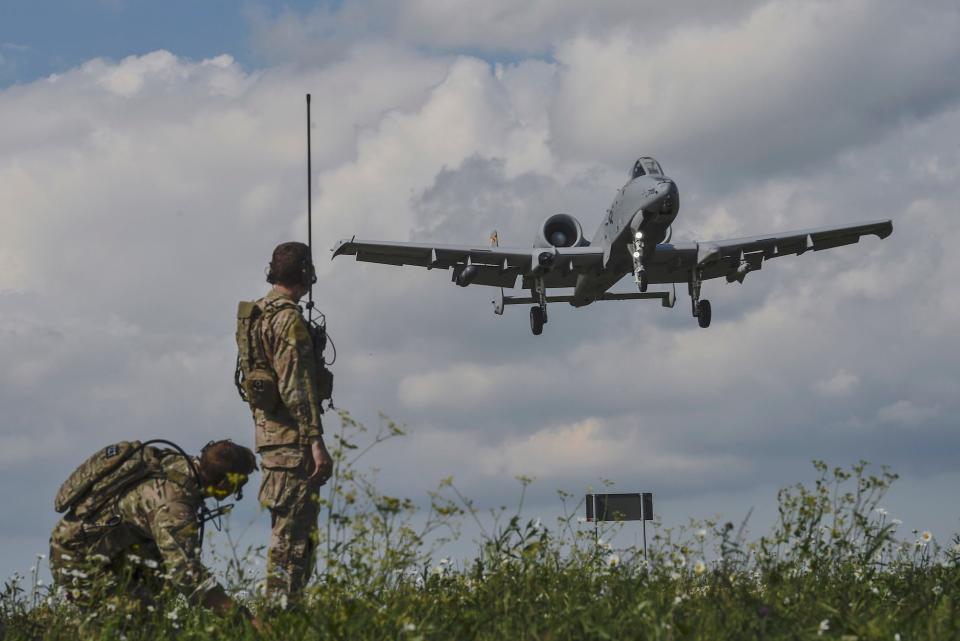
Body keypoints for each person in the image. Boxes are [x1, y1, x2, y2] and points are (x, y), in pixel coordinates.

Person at [49, 439, 260, 626]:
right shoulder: (174, 505)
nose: (239, 490)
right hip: (77, 557)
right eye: (240, 483)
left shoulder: (178, 465)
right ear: (223, 483)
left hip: (107, 545)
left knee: (158, 587)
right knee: (141, 621)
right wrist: (243, 618)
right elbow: (187, 576)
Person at [236, 241, 333, 602]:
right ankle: (279, 619)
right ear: (306, 274)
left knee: (287, 536)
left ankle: (279, 615)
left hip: (270, 439)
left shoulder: (257, 314)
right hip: (293, 444)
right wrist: (315, 441)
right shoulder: (287, 319)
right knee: (294, 545)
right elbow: (296, 385)